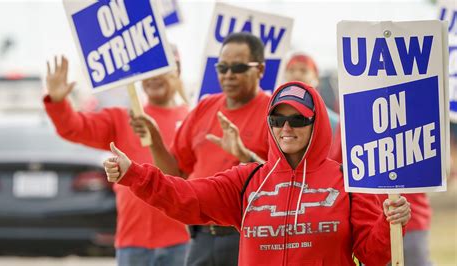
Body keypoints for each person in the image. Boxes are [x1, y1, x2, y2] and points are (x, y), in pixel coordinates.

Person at [104, 81, 411, 266]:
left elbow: (374, 256)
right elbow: (186, 196)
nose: (286, 128)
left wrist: (390, 222)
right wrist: (134, 174)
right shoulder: (248, 180)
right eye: (277, 119)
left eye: (298, 119)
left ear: (316, 122)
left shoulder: (348, 181)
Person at [129, 32, 270, 265]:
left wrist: (244, 156)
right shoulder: (205, 107)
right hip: (202, 237)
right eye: (222, 67)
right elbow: (174, 173)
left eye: (238, 67)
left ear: (261, 70)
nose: (228, 75)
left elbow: (286, 182)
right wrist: (154, 138)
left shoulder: (274, 112)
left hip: (249, 236)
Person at [43, 55, 190, 266]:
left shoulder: (190, 120)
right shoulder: (124, 119)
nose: (154, 78)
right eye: (148, 72)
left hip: (181, 241)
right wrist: (58, 102)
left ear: (177, 71)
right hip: (132, 242)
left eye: (162, 70)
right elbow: (74, 128)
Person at [330, 123, 432, 266]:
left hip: (409, 219)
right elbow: (337, 167)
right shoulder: (352, 115)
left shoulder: (354, 113)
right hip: (369, 226)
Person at [283, 53, 339, 133]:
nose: (296, 74)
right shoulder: (273, 114)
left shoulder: (334, 123)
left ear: (316, 77)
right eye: (291, 70)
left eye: (303, 70)